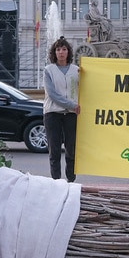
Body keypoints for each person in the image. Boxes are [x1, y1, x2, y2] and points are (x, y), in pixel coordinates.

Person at [43, 36, 81, 182]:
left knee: (71, 150)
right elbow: (52, 94)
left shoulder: (76, 70)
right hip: (53, 114)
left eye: (64, 49)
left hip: (71, 115)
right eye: (58, 49)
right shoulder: (49, 70)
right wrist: (72, 105)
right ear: (54, 52)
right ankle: (56, 181)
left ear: (68, 52)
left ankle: (71, 180)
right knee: (55, 150)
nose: (61, 52)